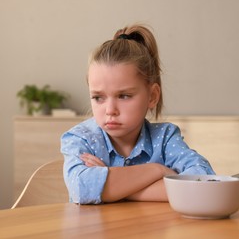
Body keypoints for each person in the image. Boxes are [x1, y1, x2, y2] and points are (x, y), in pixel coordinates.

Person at [61, 24, 215, 204]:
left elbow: (203, 182)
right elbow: (82, 188)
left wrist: (111, 187)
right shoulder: (81, 139)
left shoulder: (165, 138)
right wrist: (157, 171)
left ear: (152, 96)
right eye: (98, 97)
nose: (110, 110)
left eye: (124, 96)